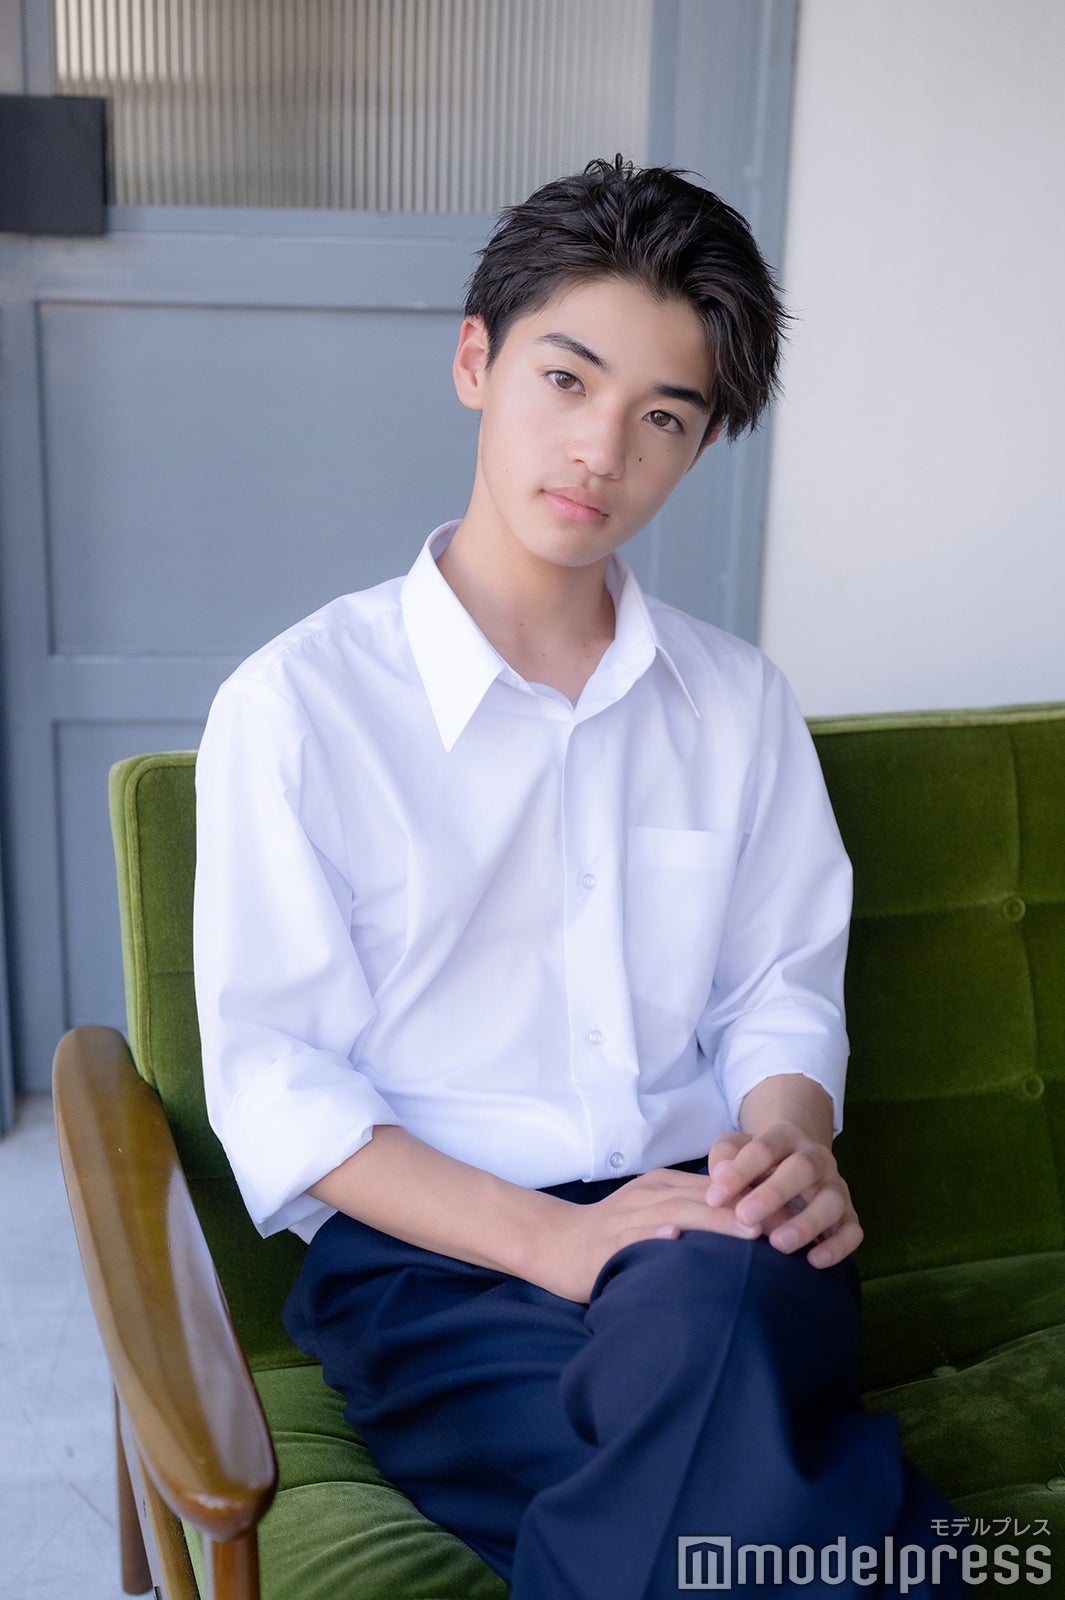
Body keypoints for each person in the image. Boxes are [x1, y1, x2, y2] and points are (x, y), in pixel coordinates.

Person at [194, 158, 966, 1598]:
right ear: (475, 362)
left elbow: (777, 995)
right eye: (566, 378)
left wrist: (785, 1147)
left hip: (718, 1241)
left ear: (699, 444)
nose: (601, 449)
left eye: (663, 416)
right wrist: (558, 1241)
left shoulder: (737, 705)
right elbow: (278, 1085)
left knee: (703, 1324)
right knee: (777, 1523)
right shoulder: (296, 707)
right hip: (434, 1264)